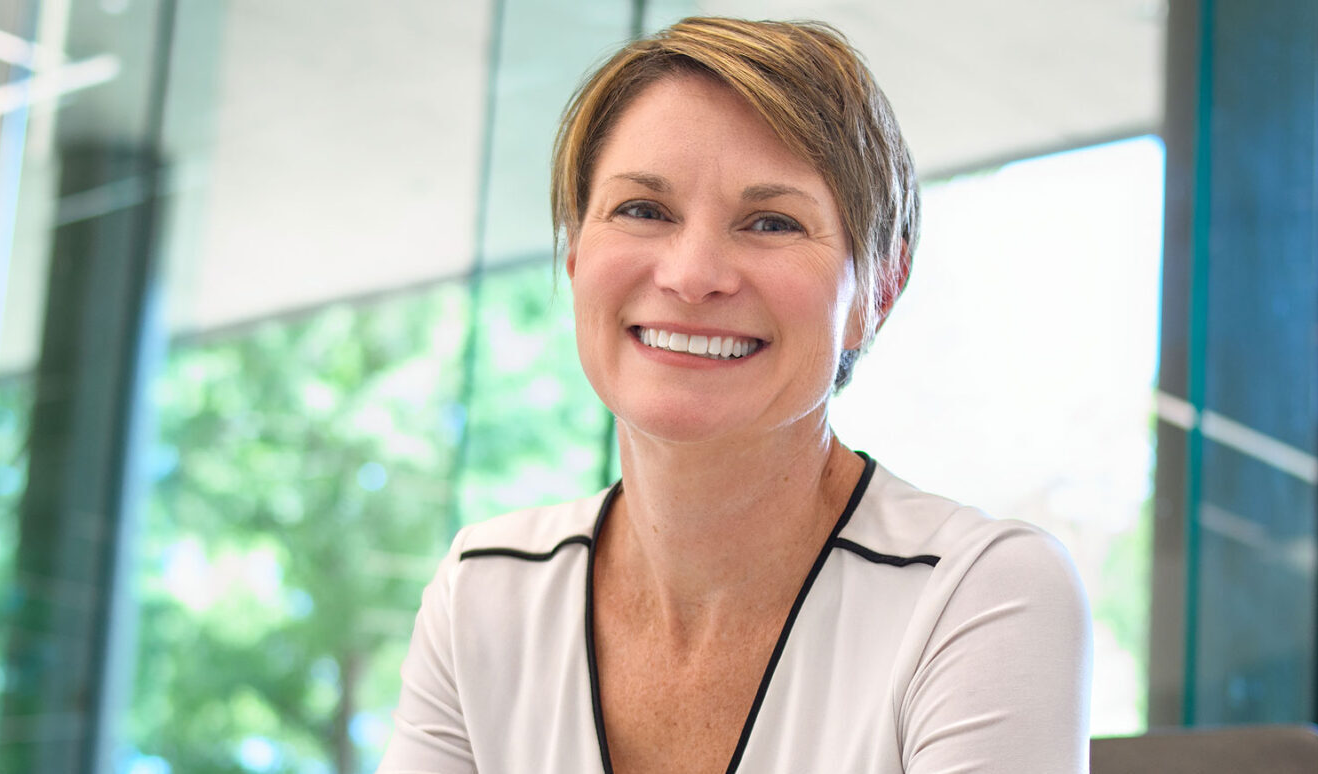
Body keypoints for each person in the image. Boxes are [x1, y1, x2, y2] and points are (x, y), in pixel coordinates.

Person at [379, 17, 1088, 773]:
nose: (692, 274)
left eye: (772, 222)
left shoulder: (973, 595)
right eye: (643, 210)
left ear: (877, 290)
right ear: (576, 251)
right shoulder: (486, 593)